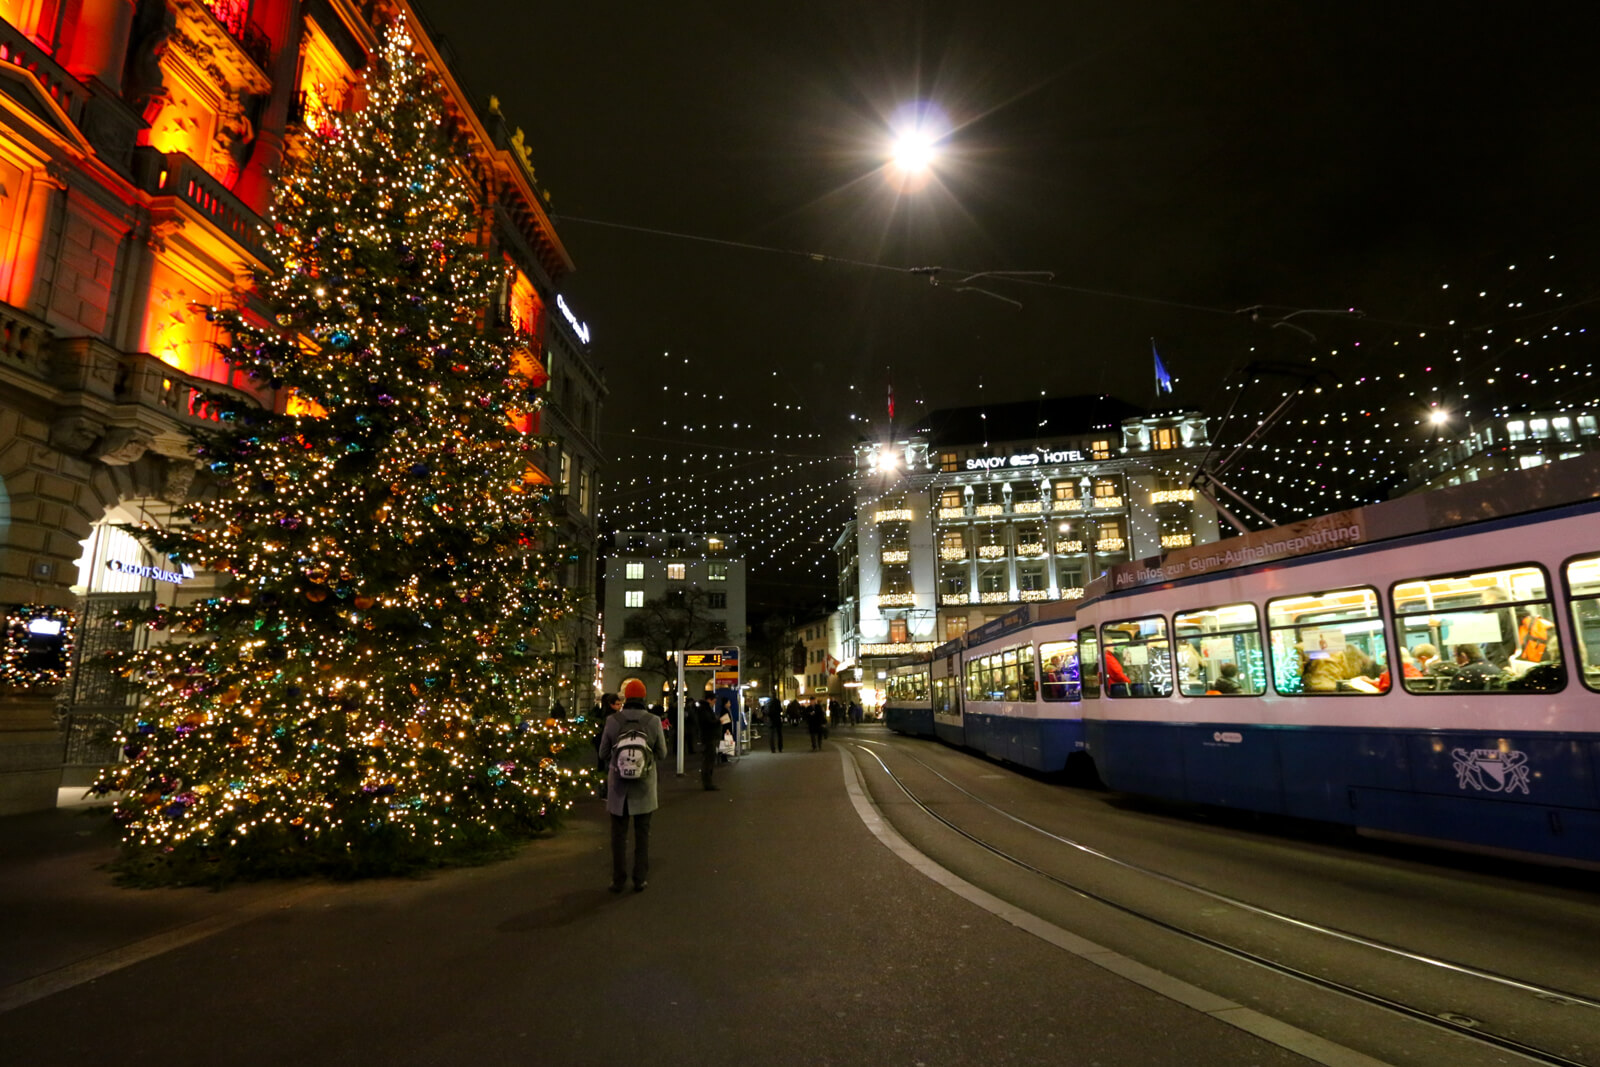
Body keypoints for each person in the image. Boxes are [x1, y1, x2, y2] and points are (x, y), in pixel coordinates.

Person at [596, 684, 668, 893]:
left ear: (625, 697)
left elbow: (602, 753)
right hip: (644, 786)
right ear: (644, 697)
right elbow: (662, 753)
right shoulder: (653, 721)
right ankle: (640, 878)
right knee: (642, 833)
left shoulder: (612, 720)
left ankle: (618, 879)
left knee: (618, 835)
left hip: (618, 787)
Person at [695, 693, 721, 790]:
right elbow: (708, 723)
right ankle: (707, 783)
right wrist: (718, 721)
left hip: (708, 737)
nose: (715, 702)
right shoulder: (704, 710)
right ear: (709, 700)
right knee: (708, 760)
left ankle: (708, 782)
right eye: (714, 700)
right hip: (708, 737)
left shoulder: (704, 709)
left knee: (709, 759)